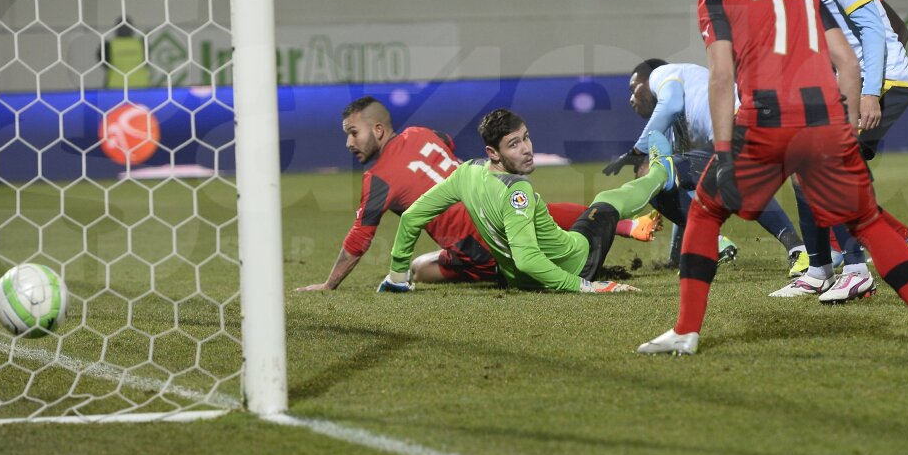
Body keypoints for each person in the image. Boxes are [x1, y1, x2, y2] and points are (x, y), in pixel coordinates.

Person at [637, 0, 908, 355]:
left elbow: (720, 77)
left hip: (765, 123)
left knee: (706, 213)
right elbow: (848, 63)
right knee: (866, 221)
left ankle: (686, 330)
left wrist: (727, 152)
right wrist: (845, 130)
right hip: (827, 122)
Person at [297, 97, 657, 292]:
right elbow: (447, 143)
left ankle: (521, 268)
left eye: (353, 133)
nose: (349, 143)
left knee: (421, 270)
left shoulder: (377, 179)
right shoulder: (422, 133)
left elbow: (360, 238)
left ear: (377, 130)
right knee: (532, 210)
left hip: (479, 246)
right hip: (491, 202)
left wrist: (330, 284)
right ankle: (625, 225)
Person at [764, 0, 908, 301]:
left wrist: (869, 94)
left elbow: (873, 29)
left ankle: (856, 268)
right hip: (843, 86)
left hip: (881, 81)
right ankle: (820, 268)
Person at [380, 109, 677, 294]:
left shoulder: (465, 173)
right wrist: (586, 285)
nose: (527, 150)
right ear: (493, 152)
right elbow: (528, 259)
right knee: (607, 199)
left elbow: (411, 217)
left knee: (421, 267)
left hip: (515, 281)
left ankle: (654, 182)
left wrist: (396, 275)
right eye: (514, 144)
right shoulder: (515, 190)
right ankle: (662, 171)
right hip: (576, 264)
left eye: (526, 138)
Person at [604, 58, 808, 273]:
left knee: (653, 174)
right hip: (750, 126)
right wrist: (675, 257)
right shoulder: (678, 124)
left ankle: (712, 239)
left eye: (634, 88)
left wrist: (637, 151)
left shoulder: (662, 73)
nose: (631, 99)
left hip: (740, 123)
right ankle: (798, 249)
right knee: (667, 178)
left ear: (649, 80)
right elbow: (679, 189)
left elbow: (670, 105)